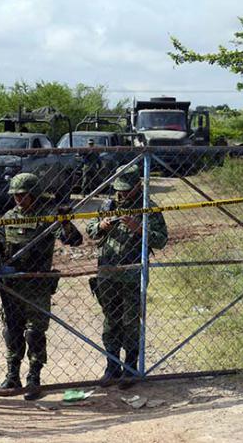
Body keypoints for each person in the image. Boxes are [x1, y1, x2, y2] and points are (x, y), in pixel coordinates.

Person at [0, 173, 83, 400]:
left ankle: (34, 378)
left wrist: (66, 223)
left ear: (33, 194)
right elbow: (0, 242)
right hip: (11, 285)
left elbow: (73, 239)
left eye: (23, 196)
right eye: (15, 196)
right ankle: (12, 376)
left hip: (36, 284)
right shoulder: (9, 216)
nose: (18, 200)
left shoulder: (46, 217)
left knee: (34, 332)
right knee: (11, 331)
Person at [85, 164, 168, 387]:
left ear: (138, 186)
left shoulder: (148, 208)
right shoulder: (108, 205)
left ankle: (131, 367)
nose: (121, 194)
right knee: (111, 322)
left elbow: (161, 240)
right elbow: (90, 229)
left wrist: (138, 228)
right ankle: (112, 366)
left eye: (126, 189)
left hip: (132, 275)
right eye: (118, 189)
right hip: (107, 272)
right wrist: (100, 226)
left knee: (131, 322)